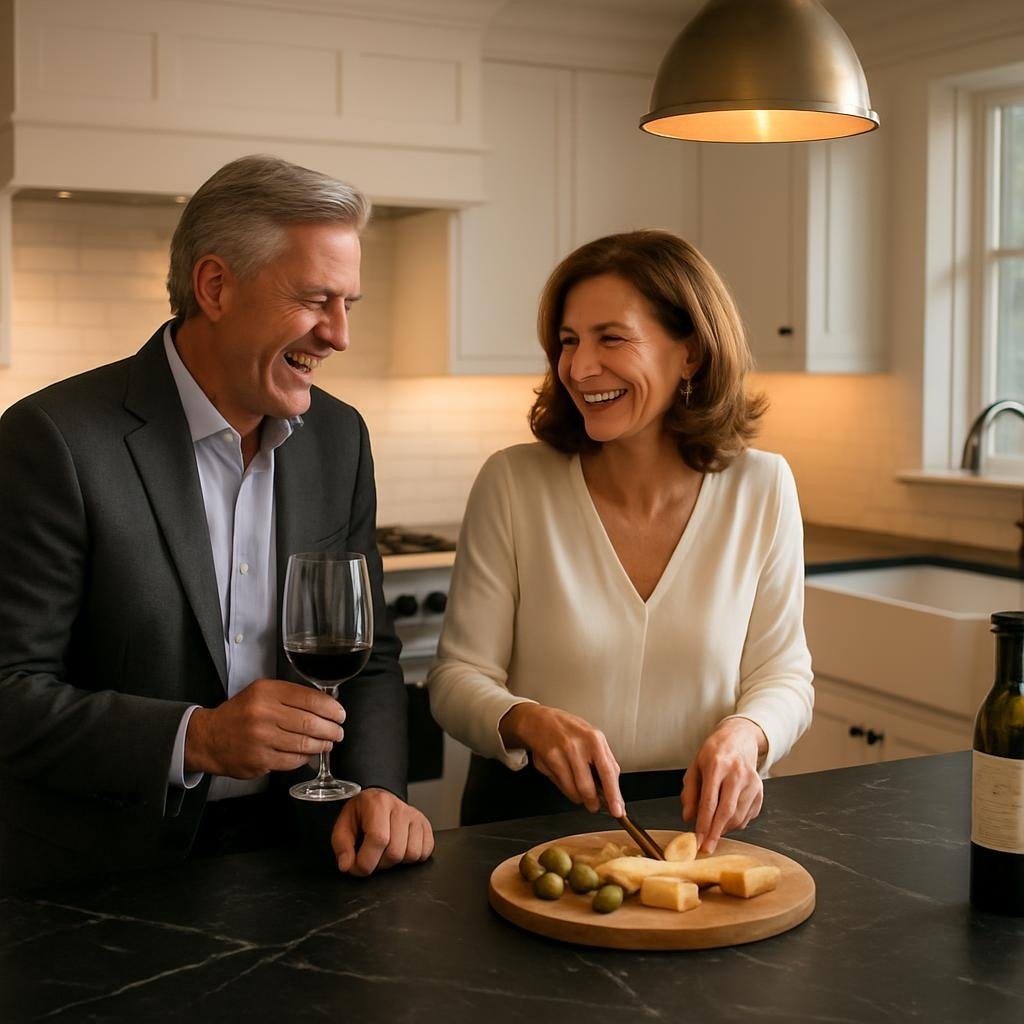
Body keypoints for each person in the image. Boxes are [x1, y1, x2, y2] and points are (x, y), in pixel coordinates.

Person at [0, 154, 433, 890]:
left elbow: (374, 656)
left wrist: (379, 788)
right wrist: (194, 738)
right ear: (215, 286)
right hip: (101, 882)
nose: (338, 334)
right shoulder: (54, 440)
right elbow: (10, 689)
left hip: (305, 861)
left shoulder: (340, 438)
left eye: (348, 303)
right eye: (315, 298)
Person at [427, 230, 813, 853]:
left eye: (612, 338)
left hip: (702, 820)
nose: (580, 367)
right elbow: (455, 679)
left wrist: (748, 733)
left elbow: (784, 674)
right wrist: (525, 719)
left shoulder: (762, 487)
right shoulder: (514, 482)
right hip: (526, 821)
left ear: (689, 353)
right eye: (569, 341)